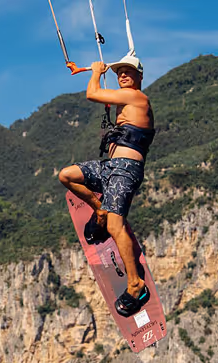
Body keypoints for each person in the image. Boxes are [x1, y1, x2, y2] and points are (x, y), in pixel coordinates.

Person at [57, 54, 155, 318]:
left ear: (140, 77)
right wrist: (86, 67)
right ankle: (99, 209)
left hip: (125, 170)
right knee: (67, 176)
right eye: (119, 71)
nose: (123, 75)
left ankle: (136, 284)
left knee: (115, 226)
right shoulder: (125, 100)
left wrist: (97, 72)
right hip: (110, 168)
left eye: (129, 72)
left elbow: (92, 93)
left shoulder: (137, 97)